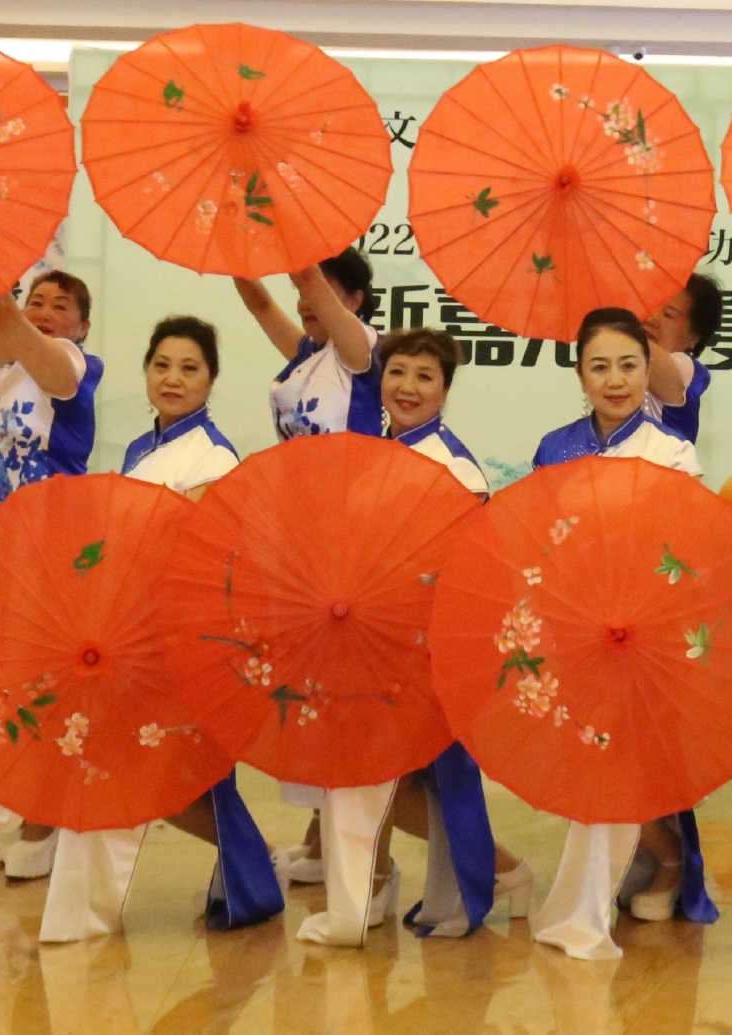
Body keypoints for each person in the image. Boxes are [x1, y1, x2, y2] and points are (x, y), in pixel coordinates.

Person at [38, 317, 287, 942]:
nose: (173, 379)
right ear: (147, 370)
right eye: (162, 365)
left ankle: (249, 867)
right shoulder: (138, 449)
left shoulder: (215, 456)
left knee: (168, 771)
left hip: (177, 637)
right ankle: (240, 873)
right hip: (126, 629)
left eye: (189, 368)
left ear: (211, 380)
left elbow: (199, 555)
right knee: (125, 765)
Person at [529, 308, 713, 961]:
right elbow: (538, 541)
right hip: (573, 630)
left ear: (648, 370)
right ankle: (606, 891)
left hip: (647, 636)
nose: (615, 379)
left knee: (625, 764)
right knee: (588, 764)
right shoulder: (555, 447)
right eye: (600, 366)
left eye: (629, 364)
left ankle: (587, 908)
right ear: (580, 373)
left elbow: (688, 550)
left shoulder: (672, 452)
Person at [376, 328, 535, 938]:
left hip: (433, 640)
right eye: (397, 373)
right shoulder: (373, 449)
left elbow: (464, 567)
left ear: (445, 389)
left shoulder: (456, 467)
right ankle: (491, 877)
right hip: (382, 639)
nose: (407, 387)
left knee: (448, 775)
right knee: (400, 777)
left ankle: (474, 893)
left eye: (424, 377)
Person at [234, 247, 380, 888]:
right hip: (299, 539)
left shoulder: (360, 351)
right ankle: (321, 841)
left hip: (349, 539)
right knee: (309, 690)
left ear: (351, 300)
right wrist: (234, 250)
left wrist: (295, 245)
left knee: (339, 691)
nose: (302, 299)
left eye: (319, 290)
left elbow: (301, 284)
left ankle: (346, 849)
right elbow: (262, 301)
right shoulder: (306, 356)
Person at [0, 270, 106, 880]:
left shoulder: (75, 365)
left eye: (60, 305)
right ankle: (27, 807)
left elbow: (16, 331)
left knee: (45, 681)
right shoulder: (10, 370)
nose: (44, 312)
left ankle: (45, 820)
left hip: (49, 542)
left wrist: (6, 298)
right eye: (36, 301)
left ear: (82, 325)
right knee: (6, 679)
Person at [236, 246, 383, 441]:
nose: (306, 303)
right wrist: (234, 245)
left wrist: (282, 224)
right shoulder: (309, 350)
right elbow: (261, 307)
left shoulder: (360, 347)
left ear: (355, 301)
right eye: (301, 294)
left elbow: (308, 277)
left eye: (318, 293)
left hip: (351, 469)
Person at [642, 273, 723, 442]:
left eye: (669, 315)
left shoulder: (687, 370)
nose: (651, 319)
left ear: (694, 337)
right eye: (648, 306)